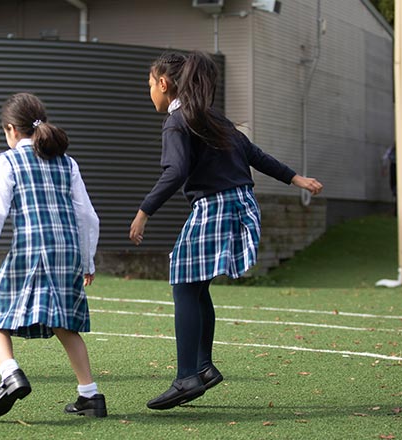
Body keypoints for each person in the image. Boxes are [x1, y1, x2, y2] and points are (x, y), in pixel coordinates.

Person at [129, 51, 323, 410]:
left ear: (163, 83)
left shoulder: (178, 120)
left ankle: (187, 375)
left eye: (149, 86)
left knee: (184, 283)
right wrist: (298, 179)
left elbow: (175, 171)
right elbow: (255, 154)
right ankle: (202, 368)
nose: (149, 94)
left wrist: (144, 212)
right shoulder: (211, 117)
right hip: (240, 202)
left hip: (215, 205)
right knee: (196, 283)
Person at [0, 93, 105, 418]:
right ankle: (90, 396)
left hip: (32, 248)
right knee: (64, 323)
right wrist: (87, 260)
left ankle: (10, 374)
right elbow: (88, 217)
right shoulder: (67, 162)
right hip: (68, 251)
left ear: (12, 129)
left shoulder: (8, 161)